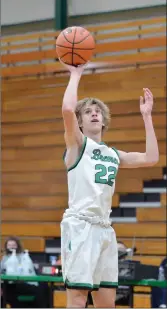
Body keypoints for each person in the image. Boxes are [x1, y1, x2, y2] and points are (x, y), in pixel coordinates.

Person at [60, 63, 159, 308]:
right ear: (80, 122)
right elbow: (67, 109)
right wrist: (75, 74)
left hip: (105, 229)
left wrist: (147, 117)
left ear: (104, 121)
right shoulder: (77, 146)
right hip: (80, 226)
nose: (95, 114)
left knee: (107, 303)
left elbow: (151, 158)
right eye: (88, 112)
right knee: (78, 298)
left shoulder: (114, 154)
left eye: (98, 111)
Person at [1, 236, 49, 308]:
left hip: (24, 283)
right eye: (9, 245)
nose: (11, 247)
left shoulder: (24, 257)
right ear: (6, 246)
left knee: (43, 287)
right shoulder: (4, 258)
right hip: (10, 285)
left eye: (13, 245)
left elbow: (30, 271)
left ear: (18, 246)